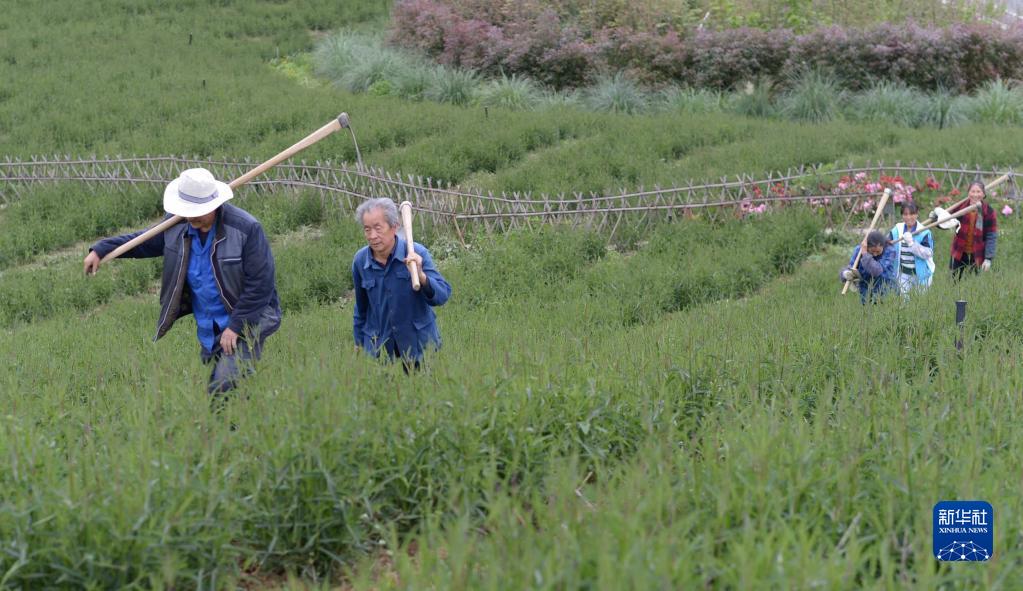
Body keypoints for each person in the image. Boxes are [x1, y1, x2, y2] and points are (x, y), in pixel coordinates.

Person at [84, 168, 281, 401]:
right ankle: (246, 428)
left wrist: (236, 326)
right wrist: (102, 248)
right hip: (210, 327)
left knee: (223, 387)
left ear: (214, 205)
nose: (190, 218)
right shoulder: (179, 224)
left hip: (248, 322)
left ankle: (227, 431)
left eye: (197, 213)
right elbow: (143, 241)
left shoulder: (245, 229)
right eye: (187, 212)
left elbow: (261, 284)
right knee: (229, 390)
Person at [352, 198, 451, 369]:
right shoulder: (360, 261)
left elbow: (442, 296)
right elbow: (361, 309)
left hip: (420, 348)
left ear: (395, 227)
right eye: (367, 229)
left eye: (378, 228)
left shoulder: (416, 253)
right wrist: (359, 343)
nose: (372, 236)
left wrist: (421, 276)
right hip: (380, 351)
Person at [949, 180, 998, 280]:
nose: (975, 194)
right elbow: (945, 221)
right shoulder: (960, 207)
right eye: (973, 191)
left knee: (974, 284)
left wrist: (988, 258)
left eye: (978, 192)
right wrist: (937, 215)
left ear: (983, 194)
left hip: (978, 254)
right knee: (953, 282)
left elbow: (991, 236)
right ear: (968, 193)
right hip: (959, 252)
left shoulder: (989, 211)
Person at [839, 230, 898, 304]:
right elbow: (851, 266)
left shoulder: (890, 251)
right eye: (872, 251)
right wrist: (845, 274)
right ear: (867, 247)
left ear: (883, 246)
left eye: (878, 252)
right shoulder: (859, 250)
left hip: (887, 291)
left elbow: (876, 271)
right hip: (866, 293)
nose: (875, 254)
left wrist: (865, 254)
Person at [888, 201, 934, 295]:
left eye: (912, 214)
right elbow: (887, 244)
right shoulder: (897, 230)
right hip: (903, 273)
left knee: (920, 302)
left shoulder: (924, 232)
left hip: (922, 274)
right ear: (902, 215)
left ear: (917, 214)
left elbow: (928, 254)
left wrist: (912, 243)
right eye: (905, 214)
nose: (909, 217)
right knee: (903, 301)